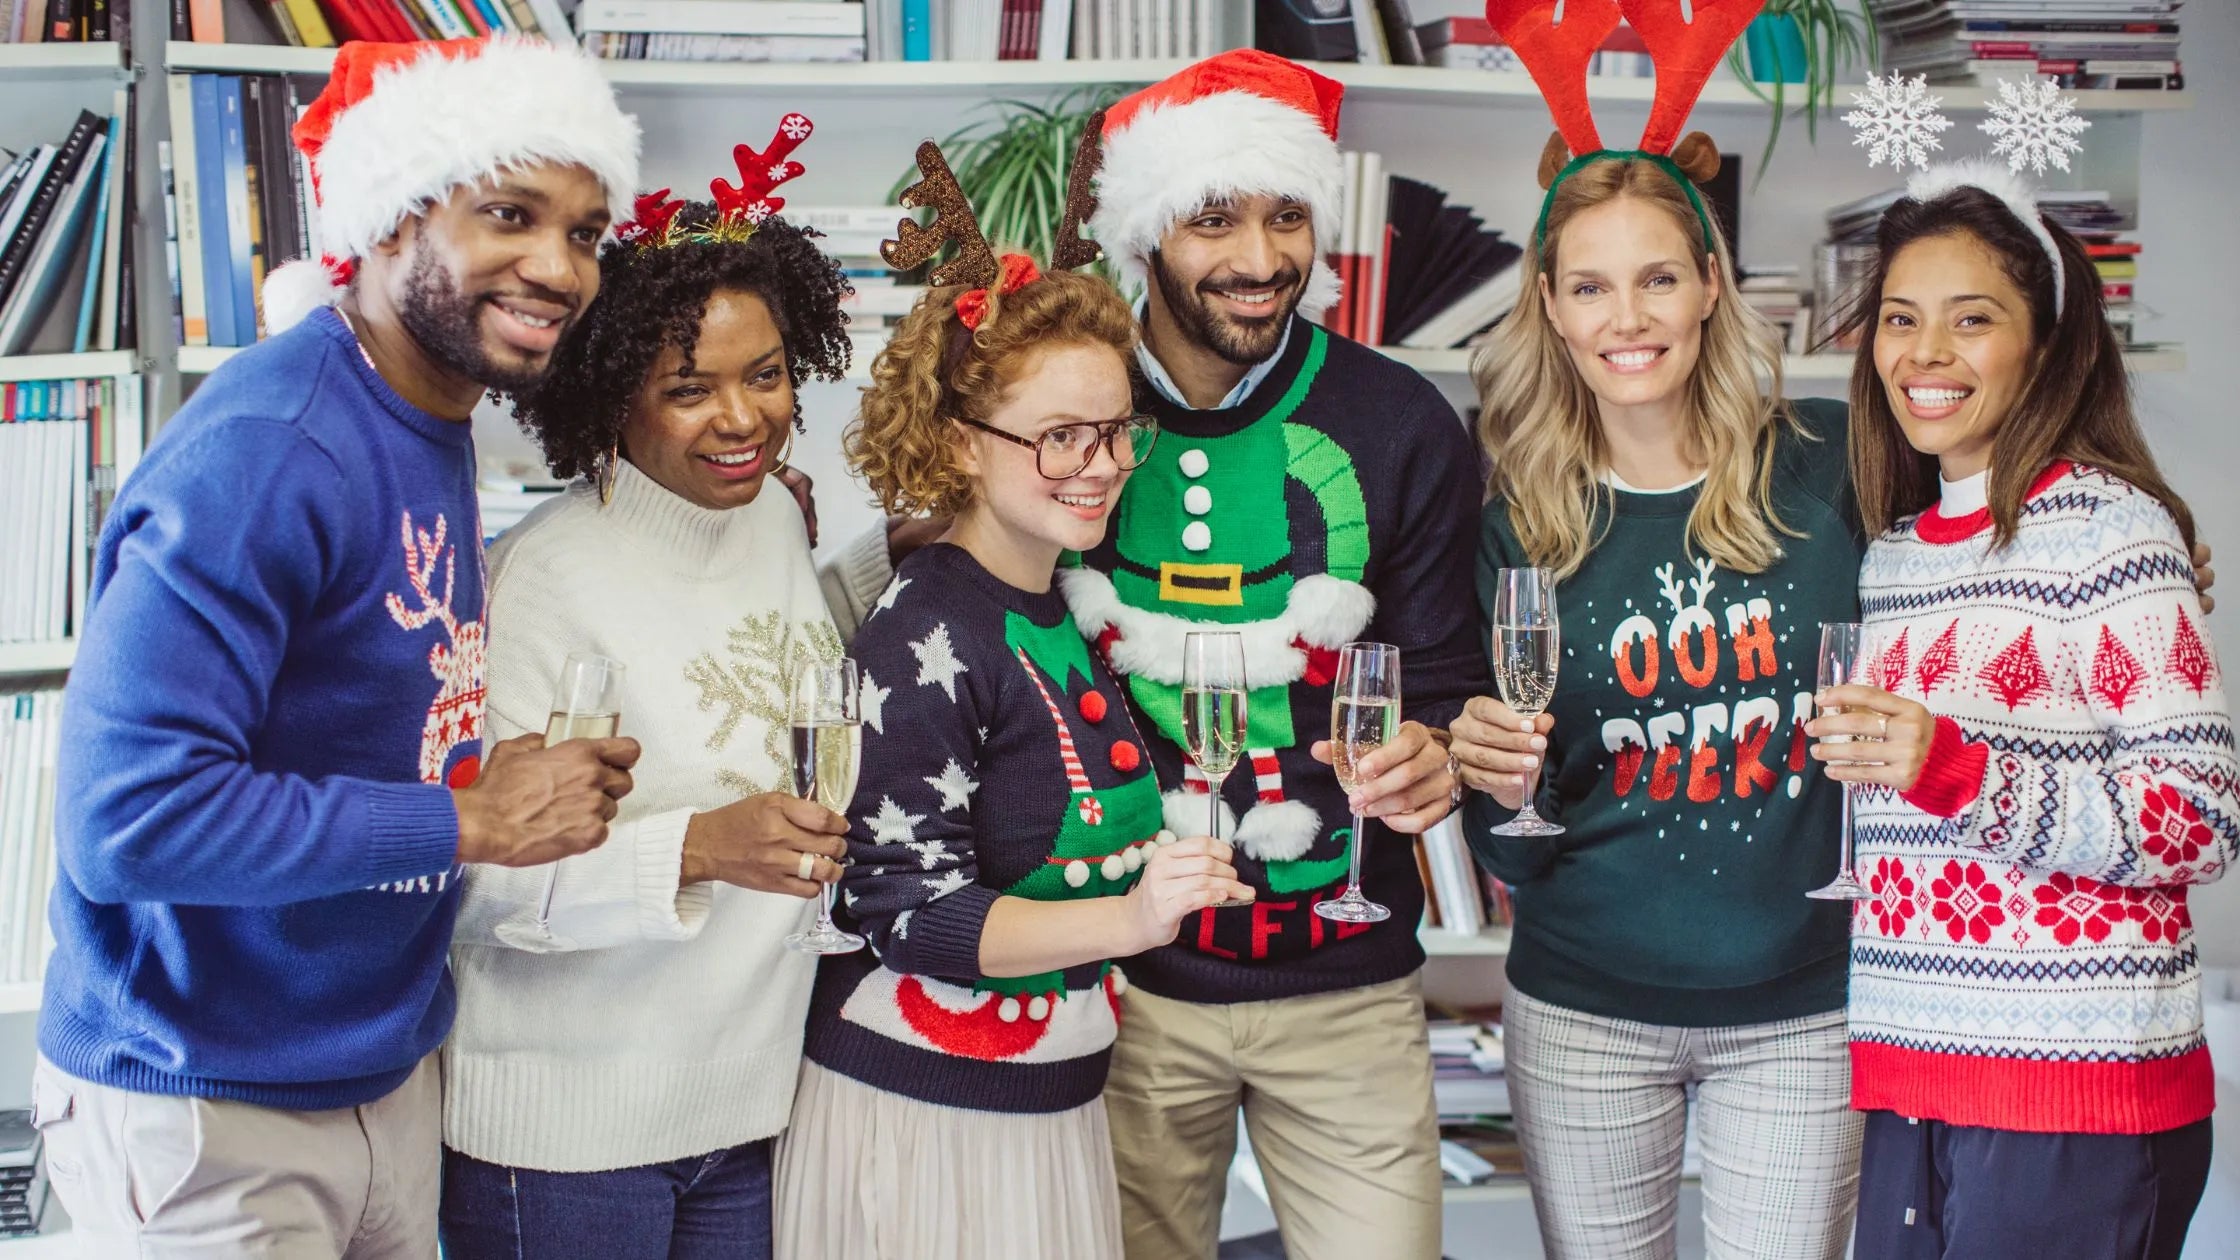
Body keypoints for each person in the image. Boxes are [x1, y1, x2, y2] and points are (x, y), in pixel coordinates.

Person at [30, 37, 643, 1258]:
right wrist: (467, 819)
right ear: (394, 216)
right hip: (203, 1098)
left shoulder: (424, 414)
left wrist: (479, 777)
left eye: (584, 231)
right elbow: (127, 821)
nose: (556, 267)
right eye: (510, 214)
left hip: (375, 1071)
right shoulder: (270, 451)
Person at [436, 116, 890, 1257]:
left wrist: (910, 543)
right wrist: (696, 846)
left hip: (746, 1106)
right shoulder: (542, 582)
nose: (742, 418)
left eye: (768, 377)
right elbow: (479, 888)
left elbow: (777, 646)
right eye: (689, 388)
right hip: (566, 1141)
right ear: (610, 397)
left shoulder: (772, 516)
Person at [1070, 49, 1481, 1260]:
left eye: (1285, 213)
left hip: (1345, 986)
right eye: (1212, 218)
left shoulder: (1399, 420)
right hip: (1114, 978)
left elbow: (1445, 687)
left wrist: (1431, 757)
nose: (1258, 258)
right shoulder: (1061, 408)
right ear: (1146, 234)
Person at [773, 233, 1254, 1260]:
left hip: (1041, 1105)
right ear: (957, 442)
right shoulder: (923, 631)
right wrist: (1130, 917)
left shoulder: (1051, 601)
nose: (1104, 468)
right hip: (924, 1127)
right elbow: (902, 911)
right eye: (1061, 437)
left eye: (1118, 432)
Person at [1819, 165, 2235, 1260]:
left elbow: (2198, 819)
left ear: (2045, 345)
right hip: (1911, 1070)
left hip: (2076, 1091)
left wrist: (1954, 768)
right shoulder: (1893, 554)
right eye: (1900, 320)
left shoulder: (2113, 531)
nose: (1925, 354)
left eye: (1972, 320)